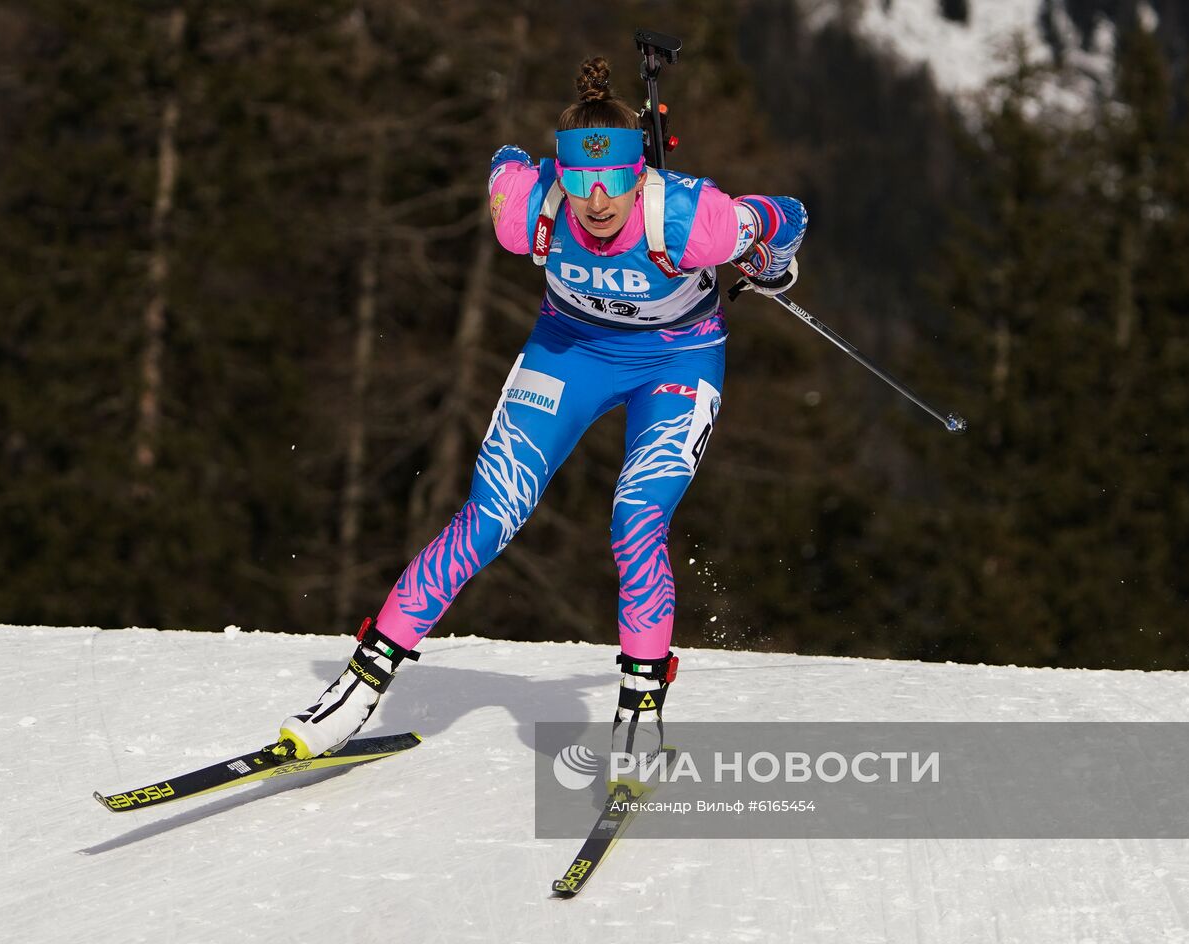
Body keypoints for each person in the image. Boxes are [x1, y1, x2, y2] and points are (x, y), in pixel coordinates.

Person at [277, 56, 806, 771]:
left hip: (675, 364)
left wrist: (767, 260)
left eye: (614, 181)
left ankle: (639, 716)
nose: (595, 202)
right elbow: (503, 163)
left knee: (636, 517)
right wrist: (521, 163)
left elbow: (789, 214)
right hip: (569, 352)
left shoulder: (691, 218)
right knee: (489, 515)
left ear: (638, 173)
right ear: (560, 174)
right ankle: (359, 685)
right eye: (580, 181)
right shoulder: (526, 209)